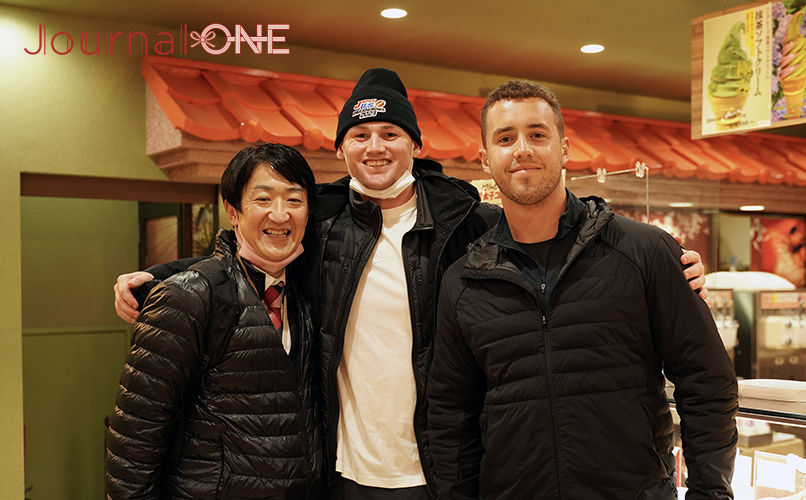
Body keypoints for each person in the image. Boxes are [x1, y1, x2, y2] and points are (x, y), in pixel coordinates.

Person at [113, 69, 709, 500]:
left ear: (415, 144)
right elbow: (254, 244)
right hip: (347, 471)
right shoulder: (321, 223)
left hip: (444, 471)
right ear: (342, 146)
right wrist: (159, 278)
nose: (376, 146)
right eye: (361, 135)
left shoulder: (466, 222)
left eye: (391, 133)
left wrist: (672, 265)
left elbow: (551, 224)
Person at [426, 81, 738, 500]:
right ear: (485, 159)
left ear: (565, 148)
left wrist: (710, 493)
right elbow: (450, 417)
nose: (522, 149)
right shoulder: (463, 282)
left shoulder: (645, 251)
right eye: (505, 138)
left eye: (537, 134)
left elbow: (706, 381)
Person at [105, 143, 322, 500]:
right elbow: (135, 436)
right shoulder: (188, 297)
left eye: (294, 200)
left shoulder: (301, 294)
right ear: (233, 212)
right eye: (263, 200)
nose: (280, 215)